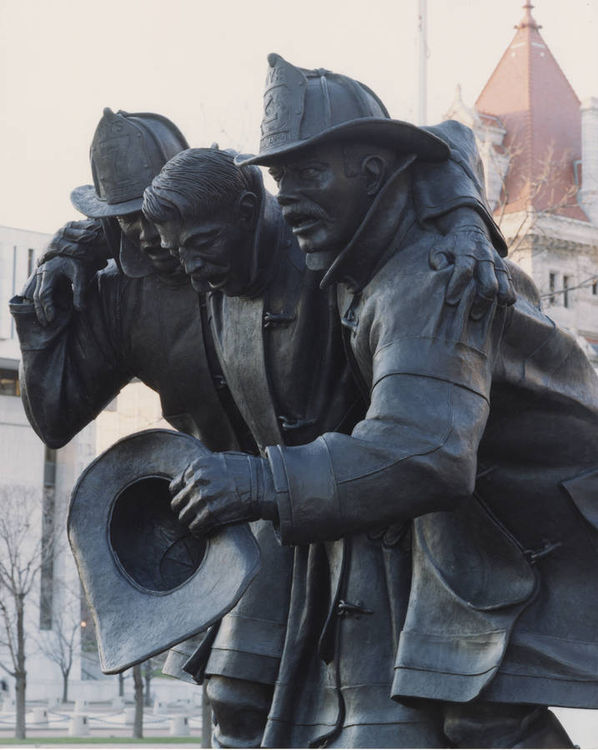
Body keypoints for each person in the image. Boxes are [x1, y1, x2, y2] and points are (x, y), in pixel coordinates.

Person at [168, 55, 590, 748]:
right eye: (279, 178)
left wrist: (260, 480)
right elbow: (445, 143)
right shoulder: (368, 263)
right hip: (469, 524)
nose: (287, 198)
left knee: (480, 714)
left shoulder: (426, 280)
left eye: (307, 174)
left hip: (538, 522)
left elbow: (426, 450)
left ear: (371, 171)